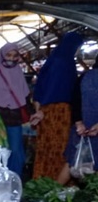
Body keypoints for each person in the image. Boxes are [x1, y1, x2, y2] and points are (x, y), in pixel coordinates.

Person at [31, 32, 83, 180]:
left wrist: (39, 110)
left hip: (46, 112)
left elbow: (40, 89)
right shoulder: (66, 63)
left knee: (45, 147)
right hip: (61, 113)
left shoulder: (53, 60)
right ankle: (56, 182)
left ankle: (42, 179)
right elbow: (68, 91)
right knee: (60, 148)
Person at [0, 42, 32, 178]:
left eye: (15, 56)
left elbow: (24, 94)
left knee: (15, 150)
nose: (11, 58)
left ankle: (13, 179)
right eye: (8, 55)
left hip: (14, 117)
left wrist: (32, 113)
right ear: (2, 55)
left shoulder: (18, 72)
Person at [58, 53, 98, 185]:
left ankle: (52, 192)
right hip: (94, 128)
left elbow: (75, 102)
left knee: (72, 162)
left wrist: (79, 123)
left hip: (82, 128)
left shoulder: (84, 77)